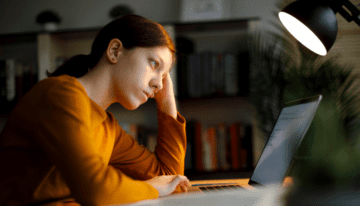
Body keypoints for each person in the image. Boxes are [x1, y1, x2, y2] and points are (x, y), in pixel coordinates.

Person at [0, 14, 190, 206]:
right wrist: (153, 188)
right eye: (154, 64)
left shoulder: (107, 127)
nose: (158, 84)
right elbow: (96, 189)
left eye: (165, 76)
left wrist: (167, 102)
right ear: (115, 51)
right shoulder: (60, 94)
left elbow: (169, 178)